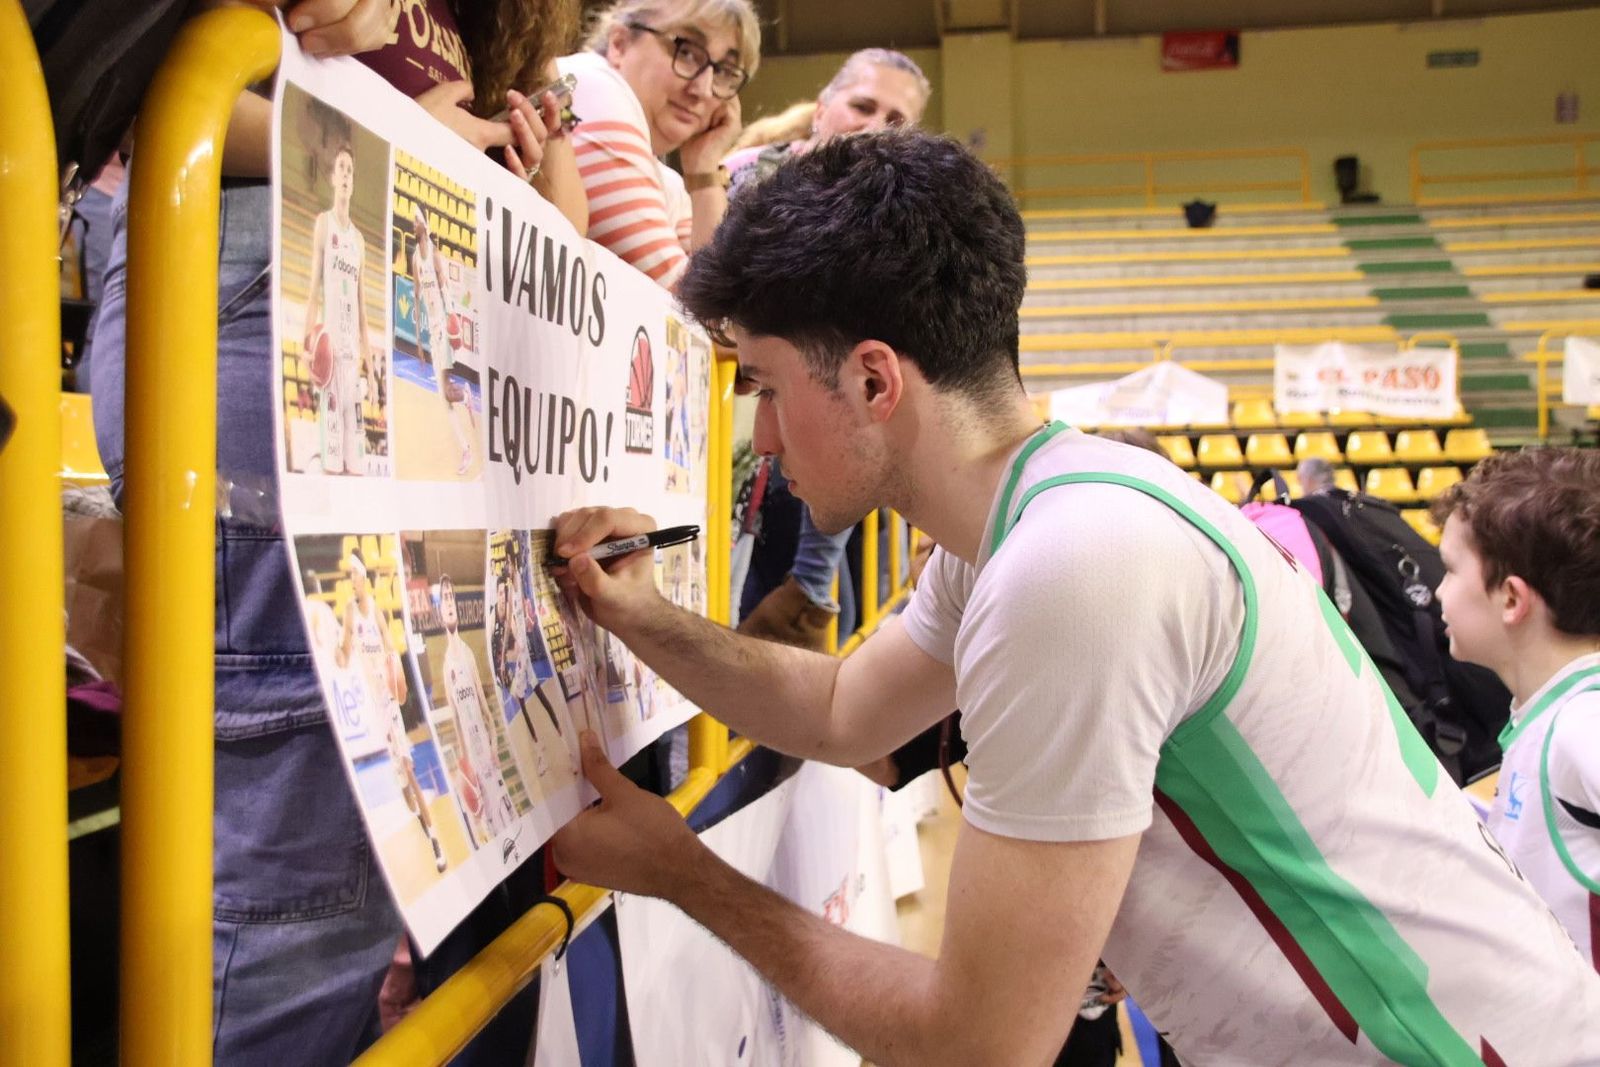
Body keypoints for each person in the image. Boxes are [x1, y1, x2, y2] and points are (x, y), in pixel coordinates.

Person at [546, 131, 1600, 1064]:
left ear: (874, 381)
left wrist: (683, 872)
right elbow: (837, 711)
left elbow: (981, 1042)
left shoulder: (1074, 567)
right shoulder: (1048, 513)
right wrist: (642, 613)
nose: (763, 440)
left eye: (769, 386)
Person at [87, 1, 585, 1057]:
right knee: (300, 874)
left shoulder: (487, 30)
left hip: (409, 321)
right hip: (283, 281)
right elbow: (151, 99)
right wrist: (400, 152)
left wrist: (530, 197)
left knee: (365, 859)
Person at [728, 47, 931, 650]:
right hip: (743, 443)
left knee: (815, 639)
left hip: (822, 457)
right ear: (823, 109)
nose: (875, 126)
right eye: (863, 105)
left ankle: (813, 593)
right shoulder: (745, 176)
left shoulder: (899, 220)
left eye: (896, 121)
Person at [1431, 448, 1600, 970]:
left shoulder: (1580, 722)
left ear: (1511, 599)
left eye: (1449, 570)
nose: (1436, 593)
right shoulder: (1553, 712)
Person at [558, 0, 761, 290]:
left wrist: (703, 170)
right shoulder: (593, 89)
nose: (702, 90)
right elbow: (693, 307)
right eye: (687, 52)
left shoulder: (668, 181)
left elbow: (721, 312)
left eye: (724, 72)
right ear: (620, 43)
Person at [339, 550, 448, 873]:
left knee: (408, 767)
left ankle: (435, 840)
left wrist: (395, 676)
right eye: (350, 576)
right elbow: (344, 655)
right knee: (402, 784)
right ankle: (419, 820)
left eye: (355, 574)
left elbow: (389, 648)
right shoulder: (348, 613)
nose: (352, 580)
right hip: (370, 705)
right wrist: (336, 652)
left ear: (365, 579)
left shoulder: (377, 614)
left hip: (387, 701)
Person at [304, 140, 378, 475]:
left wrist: (372, 375)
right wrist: (307, 347)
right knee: (333, 466)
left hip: (353, 363)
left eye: (350, 170)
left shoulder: (360, 241)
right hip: (331, 358)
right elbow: (313, 293)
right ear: (333, 178)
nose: (346, 175)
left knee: (358, 467)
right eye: (341, 169)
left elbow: (363, 312)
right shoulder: (324, 224)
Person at [436, 575, 516, 846]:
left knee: (506, 813)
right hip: (472, 759)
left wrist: (493, 744)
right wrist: (464, 763)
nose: (449, 603)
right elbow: (457, 724)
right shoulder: (446, 668)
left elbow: (486, 710)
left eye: (451, 597)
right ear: (439, 611)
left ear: (456, 606)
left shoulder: (468, 655)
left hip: (487, 752)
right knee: (488, 827)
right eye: (444, 598)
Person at [409, 207, 478, 476]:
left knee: (443, 393)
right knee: (445, 394)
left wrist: (454, 327)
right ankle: (464, 396)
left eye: (416, 222)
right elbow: (416, 296)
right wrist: (417, 342)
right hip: (432, 332)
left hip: (444, 330)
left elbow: (446, 289)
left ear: (425, 226)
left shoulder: (435, 256)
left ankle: (465, 449)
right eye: (413, 222)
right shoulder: (416, 258)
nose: (413, 225)